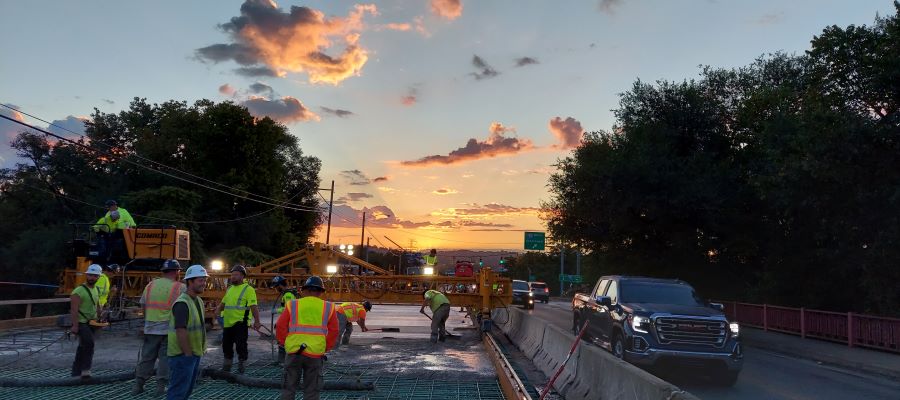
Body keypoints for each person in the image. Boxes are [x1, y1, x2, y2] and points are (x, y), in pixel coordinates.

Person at [277, 276, 339, 400]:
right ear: (321, 292)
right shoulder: (328, 307)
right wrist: (324, 347)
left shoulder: (292, 305)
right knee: (312, 390)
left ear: (304, 290)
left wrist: (286, 343)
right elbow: (334, 331)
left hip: (294, 352)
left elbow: (280, 326)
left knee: (289, 388)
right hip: (315, 354)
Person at [133, 259, 185, 395]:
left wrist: (147, 321)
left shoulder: (150, 285)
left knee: (146, 358)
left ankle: (138, 385)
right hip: (168, 330)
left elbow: (143, 305)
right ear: (176, 271)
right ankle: (160, 388)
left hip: (150, 328)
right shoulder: (179, 287)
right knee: (165, 358)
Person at [166, 265, 208, 400]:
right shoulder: (182, 303)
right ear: (190, 282)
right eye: (200, 280)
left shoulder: (198, 301)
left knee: (186, 390)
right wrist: (188, 353)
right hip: (182, 355)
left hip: (193, 354)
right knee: (178, 392)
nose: (204, 283)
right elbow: (180, 330)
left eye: (204, 280)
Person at [215, 265, 261, 373]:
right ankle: (227, 367)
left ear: (242, 276)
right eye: (232, 275)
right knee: (226, 346)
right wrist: (218, 310)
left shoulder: (248, 289)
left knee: (241, 346)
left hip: (240, 322)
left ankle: (242, 367)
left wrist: (257, 321)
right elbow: (224, 302)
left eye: (235, 275)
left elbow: (253, 306)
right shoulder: (230, 289)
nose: (232, 277)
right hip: (228, 322)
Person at [70, 264, 102, 378]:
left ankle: (76, 371)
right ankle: (85, 370)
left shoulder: (96, 290)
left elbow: (97, 305)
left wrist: (100, 316)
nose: (91, 278)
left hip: (92, 322)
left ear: (98, 277)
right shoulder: (78, 291)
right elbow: (74, 310)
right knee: (89, 344)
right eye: (90, 275)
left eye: (94, 276)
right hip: (82, 322)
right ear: (86, 275)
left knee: (83, 346)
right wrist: (75, 326)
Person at [271, 275, 297, 364]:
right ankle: (282, 360)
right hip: (287, 321)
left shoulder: (288, 294)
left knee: (283, 341)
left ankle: (284, 361)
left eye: (276, 287)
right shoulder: (287, 294)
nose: (276, 289)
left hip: (290, 322)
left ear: (280, 285)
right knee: (282, 341)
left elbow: (289, 308)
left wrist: (276, 310)